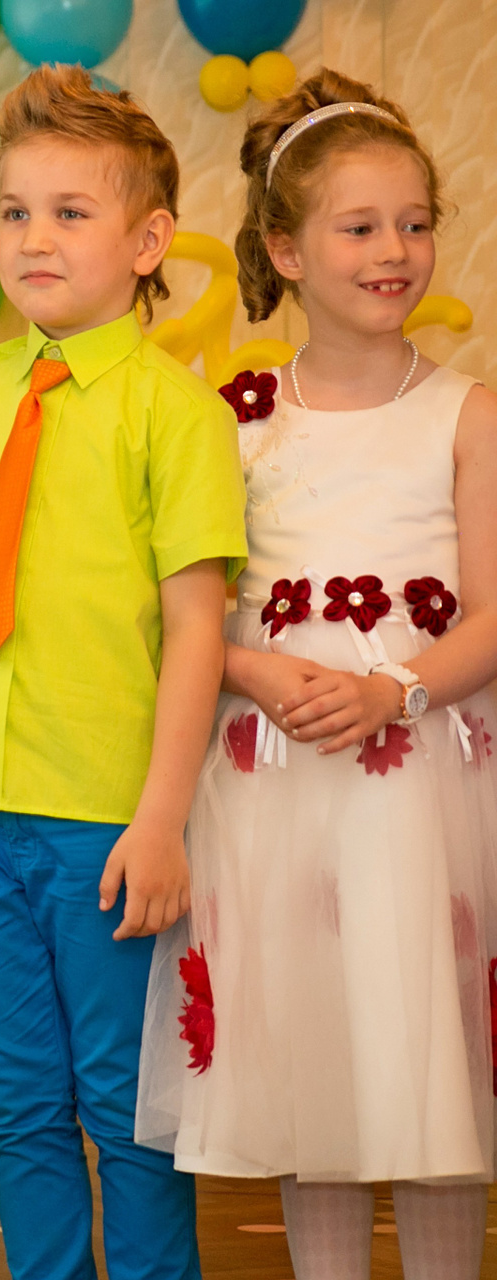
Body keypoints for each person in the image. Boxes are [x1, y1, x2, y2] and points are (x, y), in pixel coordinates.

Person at [0, 66, 248, 1280]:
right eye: (17, 211)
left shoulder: (177, 415)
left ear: (147, 241)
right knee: (17, 1101)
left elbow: (196, 631)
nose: (34, 237)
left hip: (106, 818)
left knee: (130, 1107)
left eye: (70, 212)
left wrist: (160, 818)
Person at [134, 69, 497, 1280]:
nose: (394, 251)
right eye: (360, 227)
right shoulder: (229, 417)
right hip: (277, 792)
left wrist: (398, 686)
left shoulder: (468, 414)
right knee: (317, 1078)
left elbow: (494, 612)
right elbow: (179, 610)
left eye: (414, 223)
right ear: (285, 250)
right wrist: (247, 665)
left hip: (420, 790)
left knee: (425, 1081)